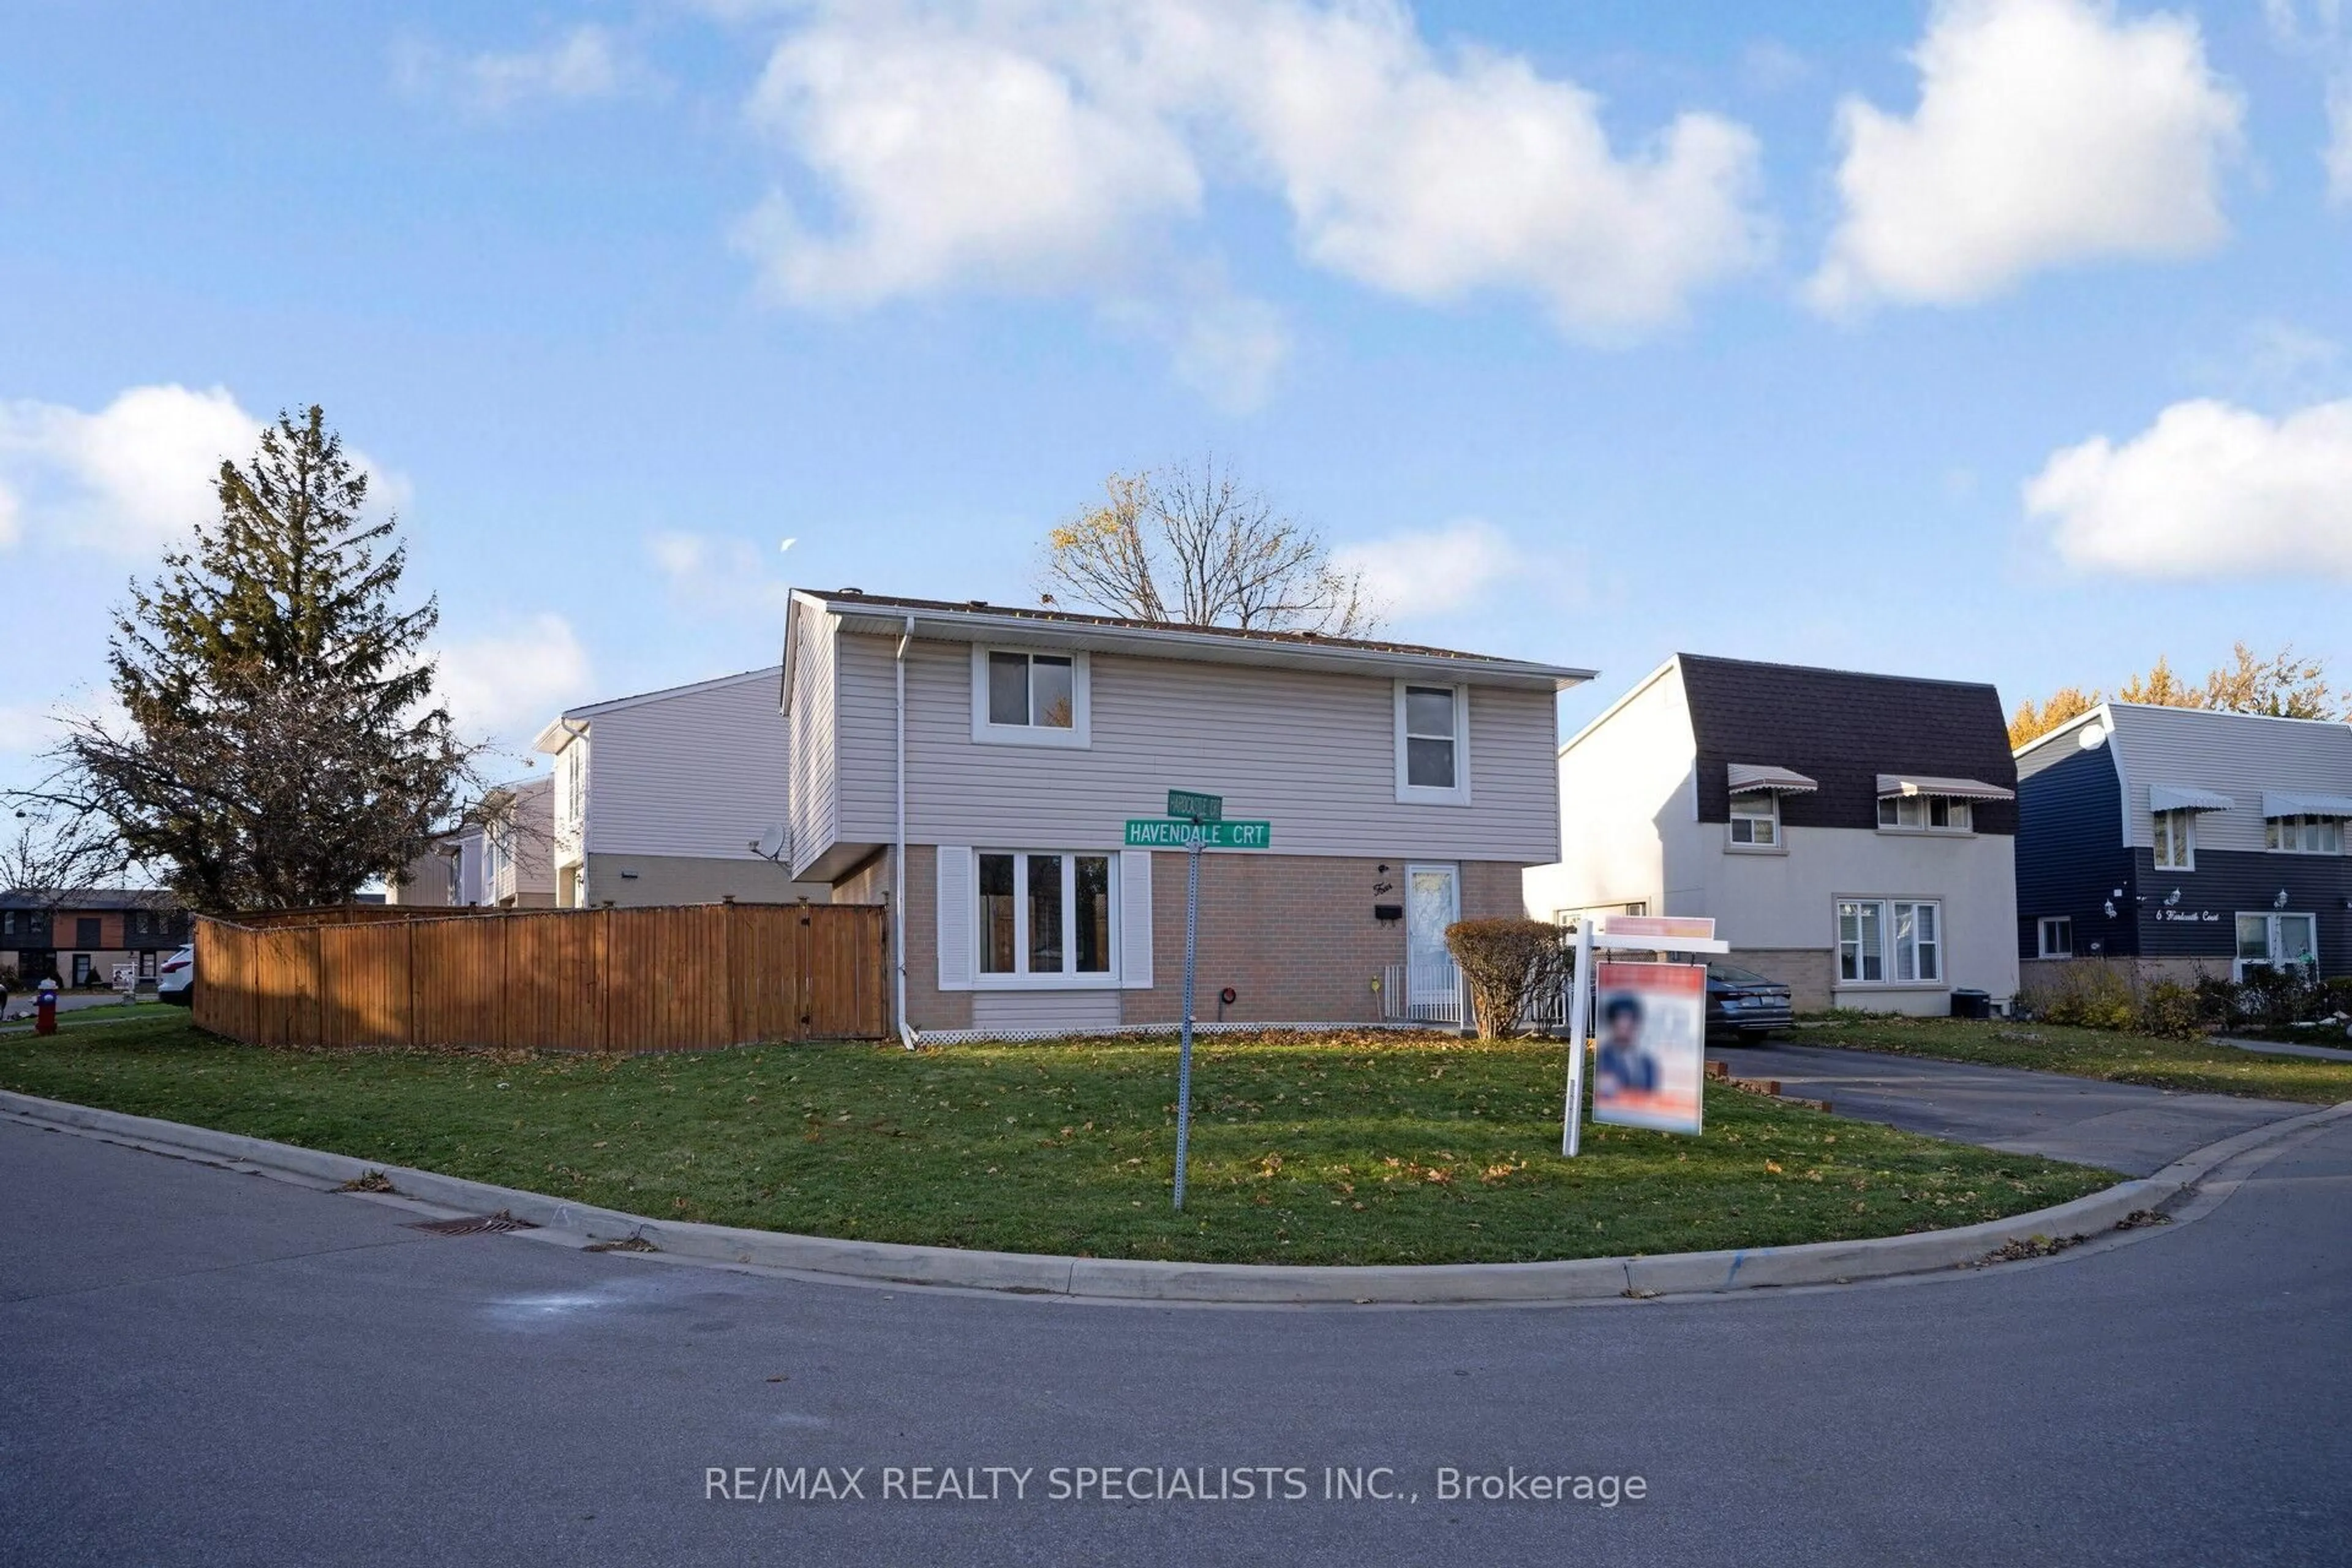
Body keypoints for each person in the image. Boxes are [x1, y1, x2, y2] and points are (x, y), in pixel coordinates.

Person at [1596, 993, 1659, 1095]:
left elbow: (1652, 1093)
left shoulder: (1647, 1062)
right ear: (1612, 1024)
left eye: (1630, 1023)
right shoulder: (1602, 1057)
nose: (1626, 1026)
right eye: (1621, 1023)